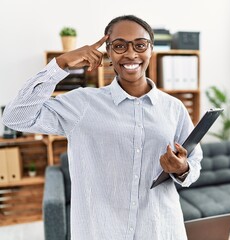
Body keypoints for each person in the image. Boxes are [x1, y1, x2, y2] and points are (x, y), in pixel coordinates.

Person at [2, 15, 202, 240]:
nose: (130, 54)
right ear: (107, 51)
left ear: (151, 49)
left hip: (160, 229)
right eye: (119, 46)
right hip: (101, 231)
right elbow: (15, 117)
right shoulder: (82, 104)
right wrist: (61, 64)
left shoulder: (174, 108)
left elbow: (194, 164)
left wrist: (182, 168)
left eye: (140, 45)